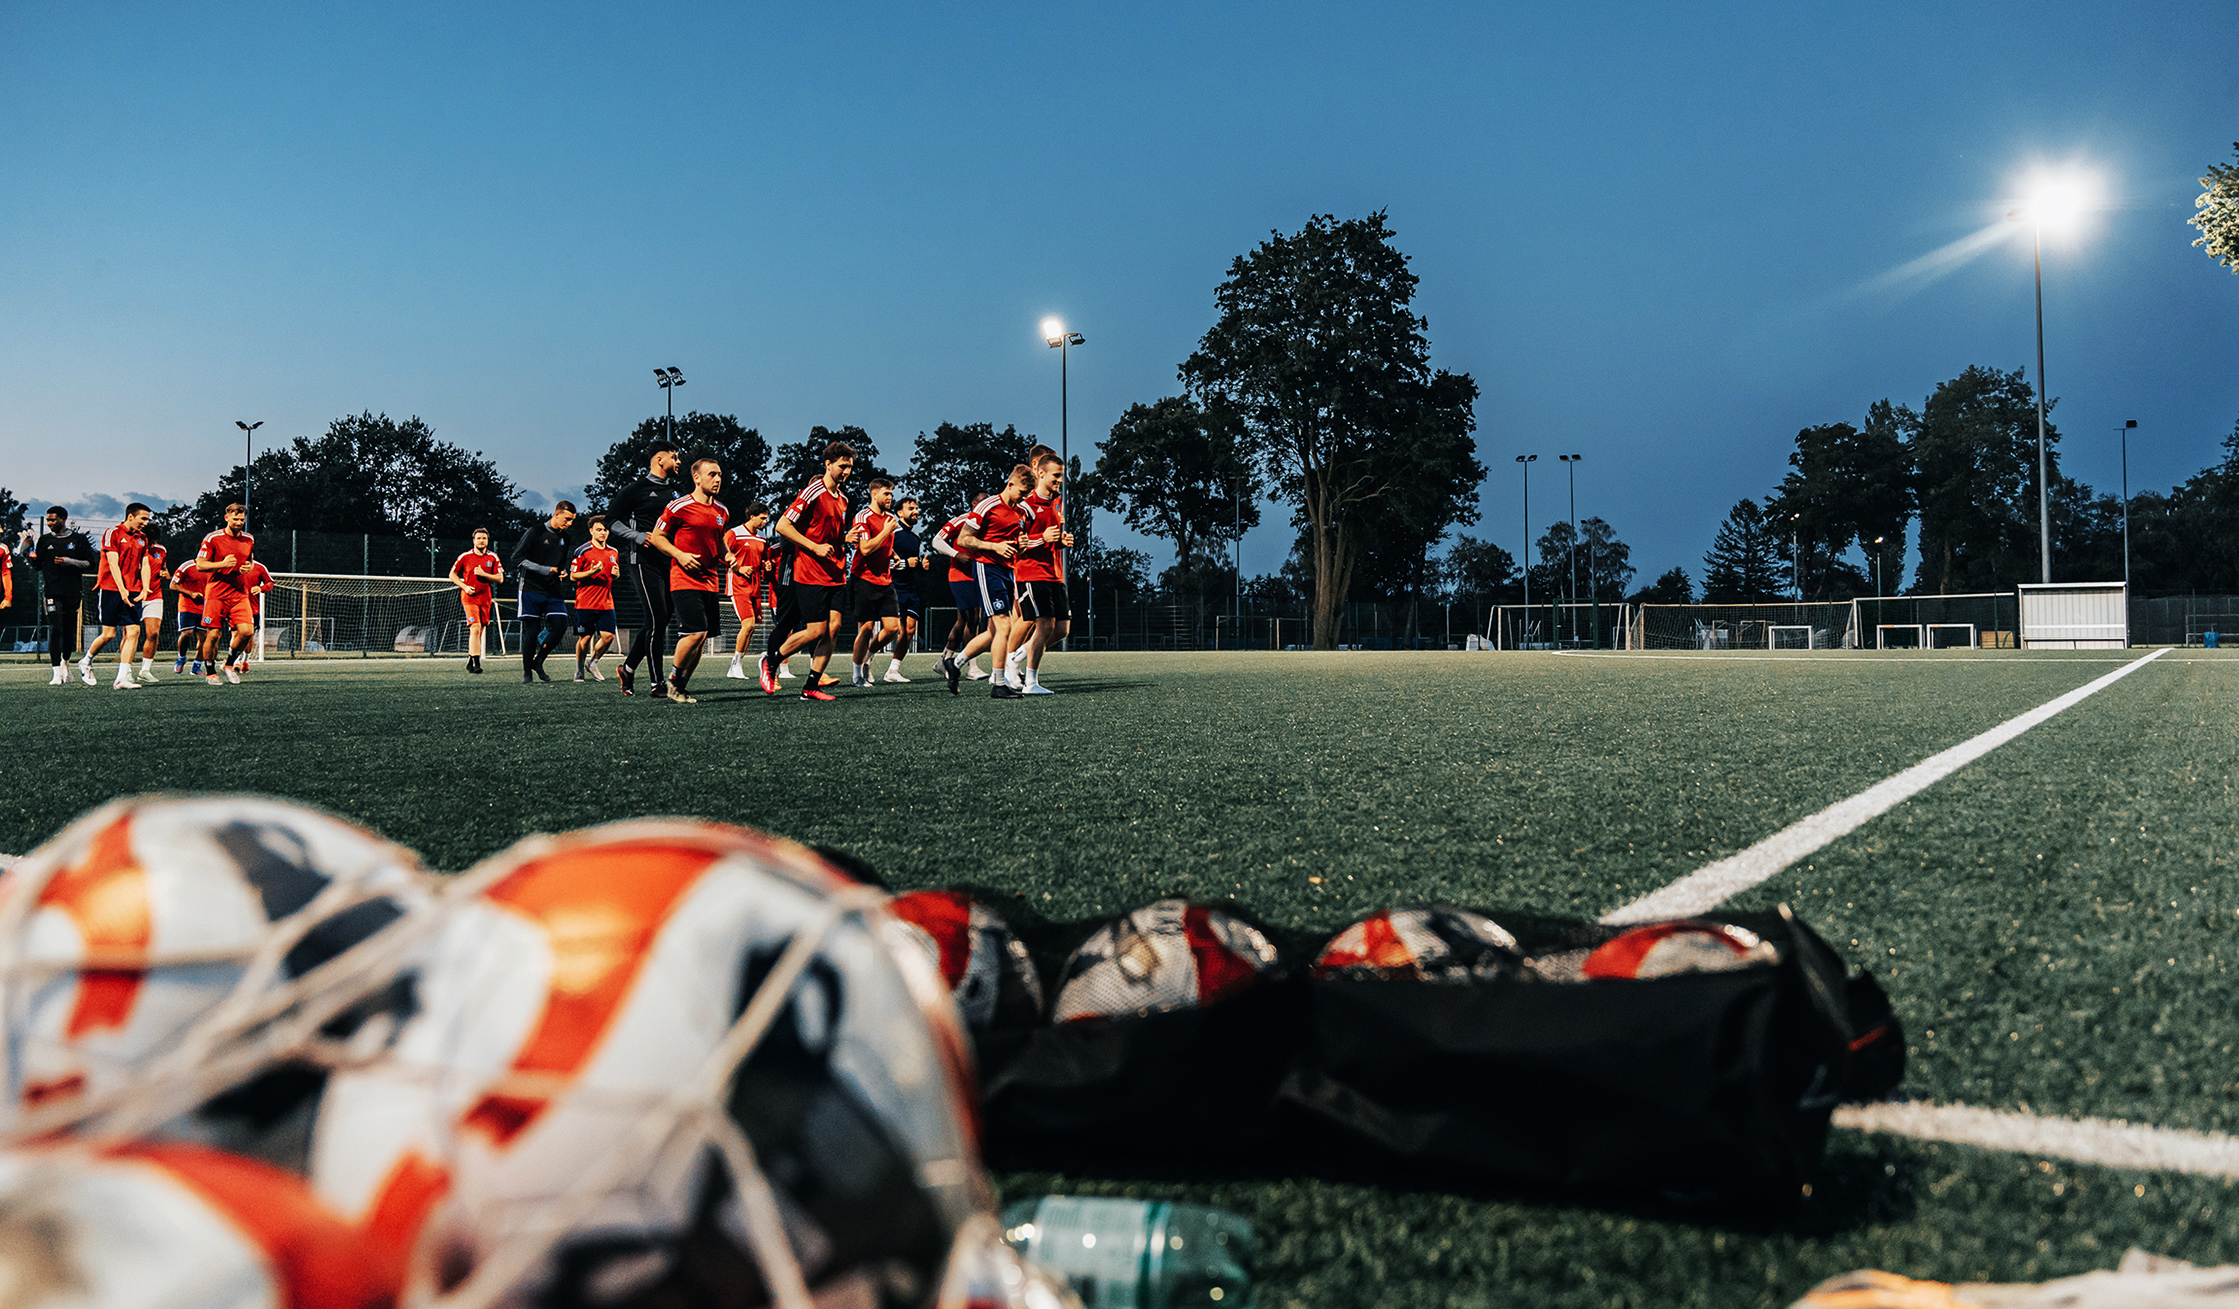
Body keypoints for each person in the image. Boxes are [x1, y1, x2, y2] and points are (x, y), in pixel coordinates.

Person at [759, 442, 858, 702]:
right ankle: (771, 662)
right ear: (828, 464)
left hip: (836, 573)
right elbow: (782, 525)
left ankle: (811, 687)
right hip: (810, 571)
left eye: (849, 467)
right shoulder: (813, 490)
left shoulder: (844, 499)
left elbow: (830, 536)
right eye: (842, 466)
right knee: (816, 630)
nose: (846, 471)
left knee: (833, 628)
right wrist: (814, 546)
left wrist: (844, 539)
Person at [944, 467, 1034, 699]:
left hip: (1008, 570)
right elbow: (964, 539)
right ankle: (998, 683)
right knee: (1003, 625)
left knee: (997, 630)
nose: (1024, 498)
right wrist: (994, 547)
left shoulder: (1021, 512)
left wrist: (1021, 545)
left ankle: (956, 663)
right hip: (986, 567)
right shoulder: (988, 505)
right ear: (1010, 484)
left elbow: (1016, 545)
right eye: (1022, 492)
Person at [645, 459, 730, 704]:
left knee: (702, 639)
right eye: (712, 474)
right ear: (697, 478)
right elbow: (658, 537)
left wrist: (730, 557)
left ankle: (680, 687)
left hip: (710, 582)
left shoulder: (722, 511)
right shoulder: (678, 506)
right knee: (695, 632)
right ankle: (672, 683)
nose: (717, 479)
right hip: (684, 580)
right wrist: (679, 555)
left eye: (719, 474)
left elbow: (719, 543)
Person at [604, 444, 681, 698]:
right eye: (674, 457)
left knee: (658, 620)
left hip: (668, 562)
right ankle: (657, 684)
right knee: (658, 618)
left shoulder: (675, 493)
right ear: (659, 459)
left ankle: (627, 668)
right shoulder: (636, 489)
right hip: (643, 561)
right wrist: (636, 535)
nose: (678, 461)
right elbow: (611, 520)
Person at [1013, 452, 1077, 695]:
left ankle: (1019, 654)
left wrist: (1062, 541)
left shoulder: (1057, 502)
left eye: (1061, 476)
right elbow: (1016, 544)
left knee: (1062, 630)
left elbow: (1054, 538)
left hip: (1054, 573)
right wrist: (1041, 539)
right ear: (1040, 473)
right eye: (1056, 476)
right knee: (1045, 625)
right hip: (1031, 572)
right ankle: (1030, 683)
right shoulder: (1025, 504)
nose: (1059, 480)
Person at [85, 503, 153, 689]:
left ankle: (121, 678)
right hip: (110, 589)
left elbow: (145, 564)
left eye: (147, 519)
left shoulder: (143, 538)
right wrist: (122, 589)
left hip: (133, 590)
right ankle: (86, 661)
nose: (146, 523)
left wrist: (145, 587)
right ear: (130, 516)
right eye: (143, 519)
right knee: (109, 634)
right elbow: (112, 564)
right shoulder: (112, 533)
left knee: (134, 631)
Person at [510, 501, 578, 684]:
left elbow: (561, 562)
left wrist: (562, 571)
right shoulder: (535, 531)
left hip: (553, 590)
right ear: (556, 514)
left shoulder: (566, 538)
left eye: (572, 520)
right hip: (530, 588)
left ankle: (538, 661)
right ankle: (527, 674)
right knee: (532, 631)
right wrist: (543, 569)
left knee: (560, 626)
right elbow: (516, 558)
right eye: (567, 519)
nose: (569, 523)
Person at [27, 508, 97, 686]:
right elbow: (36, 565)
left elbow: (90, 563)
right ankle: (56, 671)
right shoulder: (45, 540)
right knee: (55, 627)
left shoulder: (78, 539)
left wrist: (70, 561)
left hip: (72, 591)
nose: (50, 523)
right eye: (48, 521)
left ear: (63, 519)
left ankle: (66, 663)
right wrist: (27, 549)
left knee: (68, 631)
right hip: (52, 592)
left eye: (53, 520)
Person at [193, 503, 260, 685]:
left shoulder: (249, 539)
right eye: (235, 518)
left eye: (241, 519)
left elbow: (250, 561)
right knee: (213, 635)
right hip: (216, 593)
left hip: (239, 593)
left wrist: (248, 567)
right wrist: (221, 564)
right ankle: (210, 672)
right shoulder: (213, 538)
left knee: (247, 632)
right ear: (226, 518)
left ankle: (229, 664)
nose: (238, 522)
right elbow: (200, 564)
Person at [846, 480, 902, 688]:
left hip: (885, 580)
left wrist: (893, 553)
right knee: (866, 628)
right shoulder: (862, 517)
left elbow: (881, 544)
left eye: (891, 494)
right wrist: (887, 531)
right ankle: (856, 675)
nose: (890, 498)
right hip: (864, 579)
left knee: (893, 628)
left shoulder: (889, 518)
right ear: (874, 494)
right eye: (886, 494)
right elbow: (866, 548)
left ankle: (867, 656)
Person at [930, 504, 990, 686]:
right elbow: (936, 541)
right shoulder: (962, 520)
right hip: (960, 576)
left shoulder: (990, 522)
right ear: (975, 505)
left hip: (979, 575)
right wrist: (956, 554)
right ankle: (971, 666)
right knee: (973, 618)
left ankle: (944, 660)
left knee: (963, 621)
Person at [877, 496, 929, 682]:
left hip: (911, 589)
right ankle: (865, 658)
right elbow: (882, 561)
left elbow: (912, 564)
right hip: (893, 588)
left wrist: (922, 565)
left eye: (916, 508)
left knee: (910, 630)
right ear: (900, 513)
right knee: (891, 630)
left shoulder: (915, 538)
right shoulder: (892, 533)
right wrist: (905, 564)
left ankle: (893, 670)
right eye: (911, 508)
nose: (916, 511)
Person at [722, 505, 773, 681]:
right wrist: (738, 568)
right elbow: (721, 554)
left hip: (755, 588)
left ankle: (736, 665)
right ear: (751, 516)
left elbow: (764, 560)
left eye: (766, 518)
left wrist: (767, 565)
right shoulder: (734, 533)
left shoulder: (762, 538)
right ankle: (735, 665)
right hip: (738, 586)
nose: (765, 522)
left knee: (751, 628)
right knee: (748, 624)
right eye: (762, 518)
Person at [568, 515, 620, 682]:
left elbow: (614, 574)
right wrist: (590, 572)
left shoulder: (614, 552)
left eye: (605, 529)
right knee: (585, 639)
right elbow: (573, 576)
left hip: (606, 601)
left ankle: (592, 663)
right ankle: (579, 670)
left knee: (608, 636)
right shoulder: (582, 551)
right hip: (586, 602)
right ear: (591, 531)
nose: (603, 532)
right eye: (599, 529)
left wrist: (617, 575)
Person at [448, 529, 504, 675]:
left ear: (487, 540)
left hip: (485, 599)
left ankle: (470, 660)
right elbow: (452, 574)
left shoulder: (493, 557)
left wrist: (484, 574)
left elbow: (500, 578)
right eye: (478, 538)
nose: (481, 541)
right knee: (475, 628)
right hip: (469, 599)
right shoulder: (465, 556)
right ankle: (476, 662)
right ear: (473, 540)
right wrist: (465, 587)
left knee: (480, 630)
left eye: (484, 538)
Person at [136, 537, 168, 681]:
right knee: (130, 634)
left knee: (153, 633)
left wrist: (164, 573)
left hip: (154, 595)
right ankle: (125, 671)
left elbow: (164, 569)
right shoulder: (134, 548)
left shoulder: (161, 550)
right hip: (134, 594)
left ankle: (145, 670)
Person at [170, 554, 207, 674]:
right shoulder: (187, 566)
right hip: (187, 606)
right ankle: (181, 658)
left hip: (205, 608)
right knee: (187, 633)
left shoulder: (215, 568)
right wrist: (190, 593)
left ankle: (196, 666)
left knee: (204, 636)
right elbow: (173, 585)